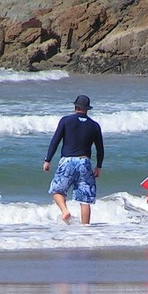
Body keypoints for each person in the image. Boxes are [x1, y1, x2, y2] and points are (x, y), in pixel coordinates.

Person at [43, 95, 104, 225]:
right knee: (85, 199)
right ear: (87, 109)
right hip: (84, 162)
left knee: (56, 190)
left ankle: (65, 211)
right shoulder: (94, 125)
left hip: (67, 161)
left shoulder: (66, 121)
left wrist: (48, 160)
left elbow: (55, 141)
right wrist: (99, 166)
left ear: (75, 107)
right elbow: (100, 148)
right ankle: (85, 229)